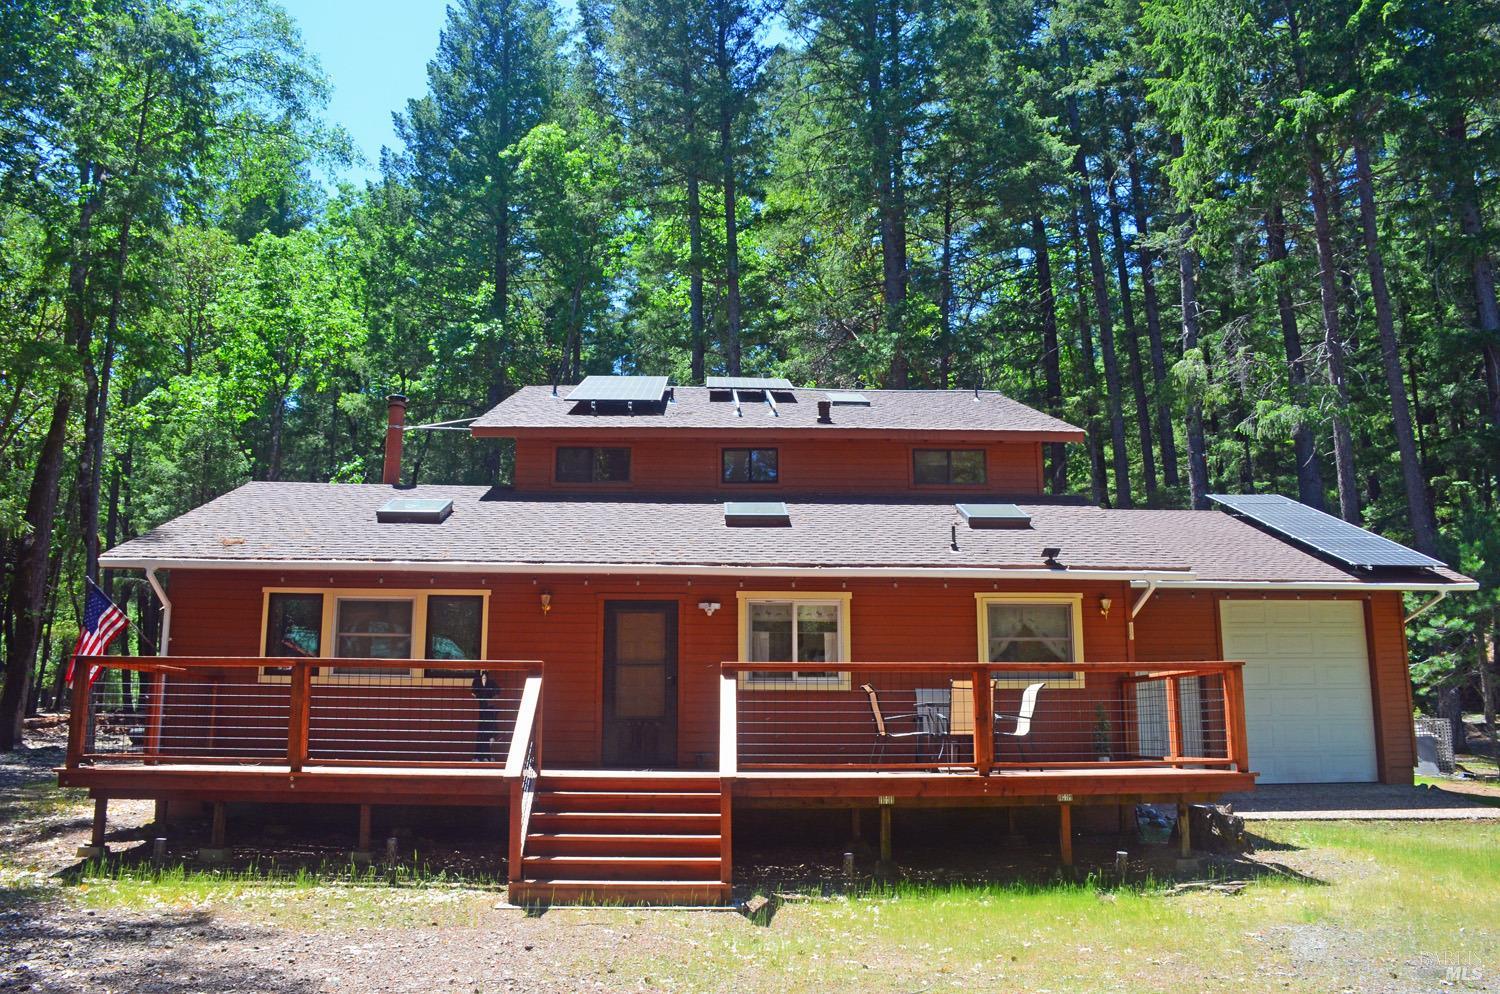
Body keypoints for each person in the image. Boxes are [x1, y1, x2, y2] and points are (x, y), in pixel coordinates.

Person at [471, 672, 501, 760]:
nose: (484, 679)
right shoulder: (477, 683)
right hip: (482, 712)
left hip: (489, 713)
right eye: (483, 678)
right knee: (482, 734)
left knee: (488, 734)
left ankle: (486, 756)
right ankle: (481, 756)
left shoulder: (492, 684)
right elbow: (473, 693)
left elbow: (497, 692)